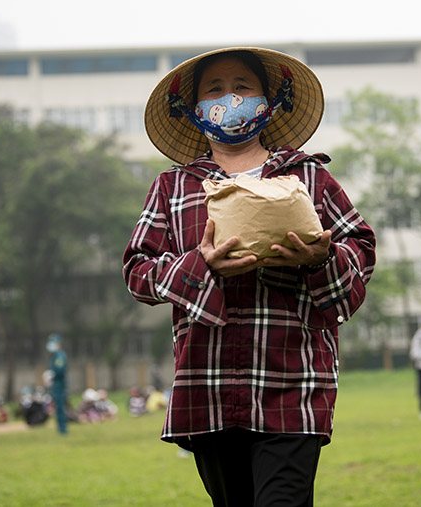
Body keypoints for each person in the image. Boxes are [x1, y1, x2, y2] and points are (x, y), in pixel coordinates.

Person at [122, 47, 376, 507]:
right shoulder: (173, 187)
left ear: (269, 99)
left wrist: (320, 259)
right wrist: (200, 265)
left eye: (243, 86)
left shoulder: (309, 177)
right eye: (215, 90)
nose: (230, 98)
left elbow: (360, 256)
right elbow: (138, 273)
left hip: (294, 384)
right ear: (193, 109)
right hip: (208, 386)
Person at [46, 334, 68, 435]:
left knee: (60, 407)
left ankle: (62, 429)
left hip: (60, 384)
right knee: (58, 406)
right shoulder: (56, 356)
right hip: (56, 384)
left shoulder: (59, 356)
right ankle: (60, 428)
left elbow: (60, 370)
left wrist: (52, 374)